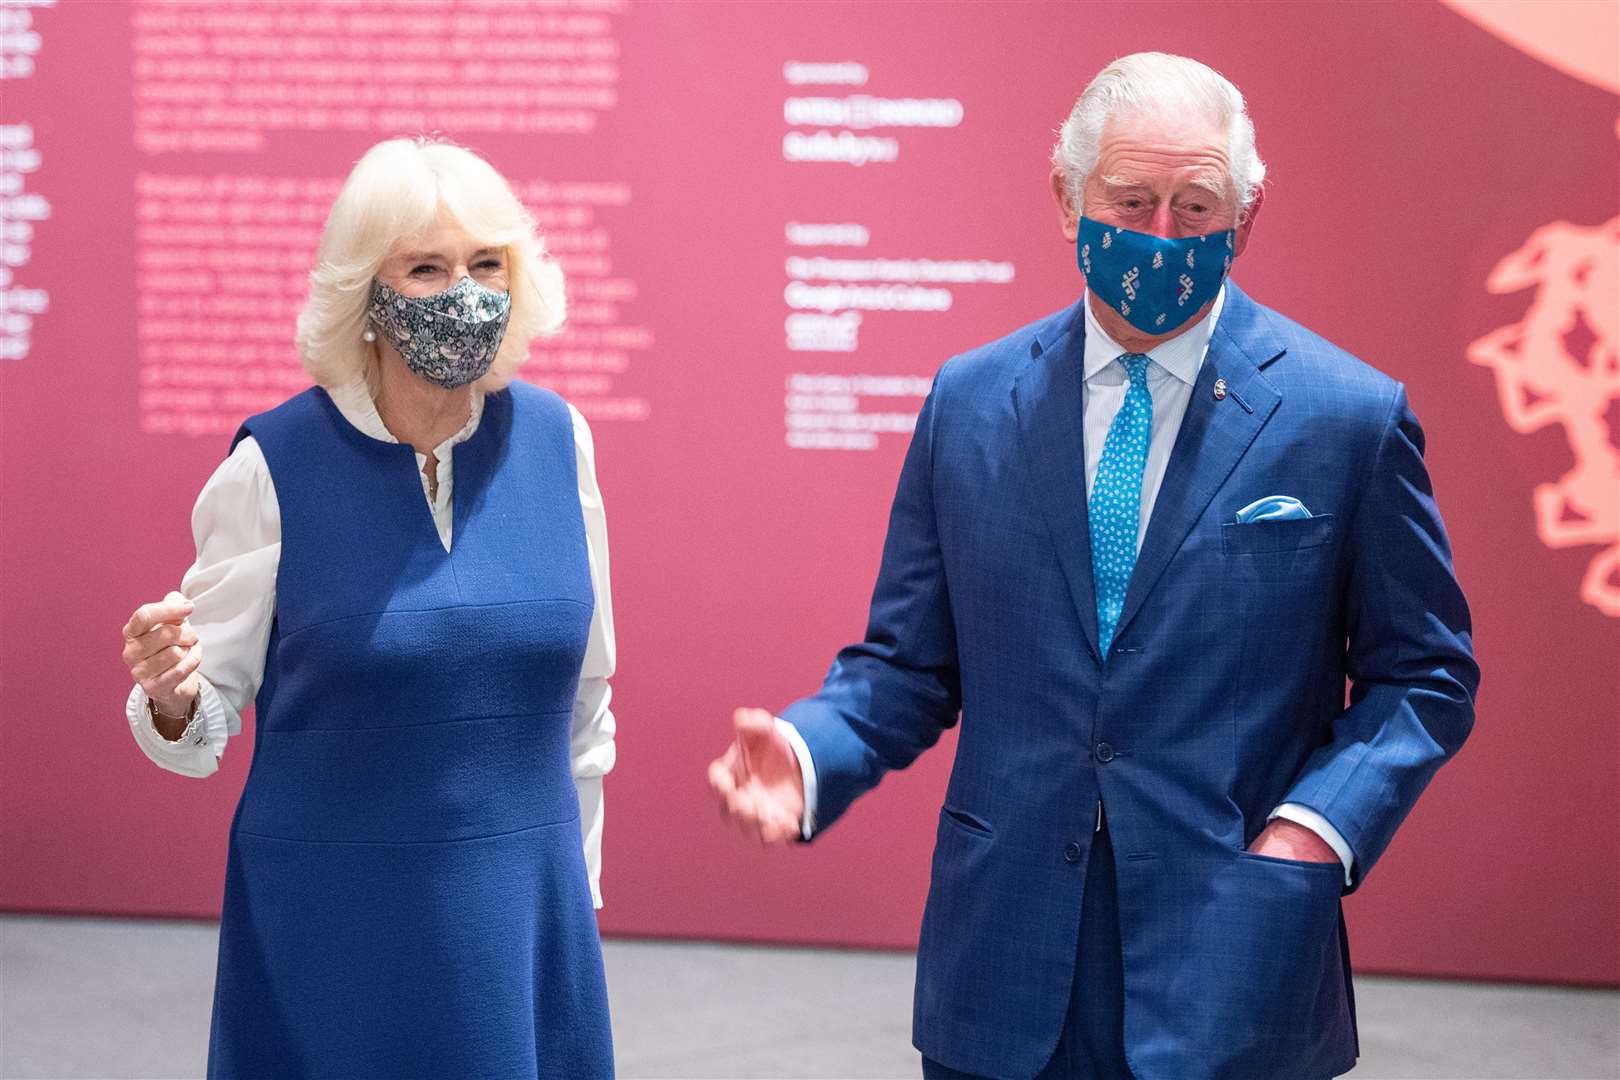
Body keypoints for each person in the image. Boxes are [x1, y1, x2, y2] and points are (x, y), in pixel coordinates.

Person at [709, 52, 1478, 1080]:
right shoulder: (971, 402)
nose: (1161, 235)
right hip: (1004, 963)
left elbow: (1425, 675)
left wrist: (1313, 833)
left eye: (1196, 205)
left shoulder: (1346, 417)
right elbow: (907, 664)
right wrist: (808, 754)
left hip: (1235, 953)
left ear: (1246, 217)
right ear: (1067, 199)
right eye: (1131, 199)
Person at [119, 138, 616, 1078]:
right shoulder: (274, 465)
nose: (463, 290)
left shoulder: (560, 443)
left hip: (523, 928)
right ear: (368, 296)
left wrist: (572, 896)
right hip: (332, 936)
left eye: (486, 265)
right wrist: (173, 693)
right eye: (426, 267)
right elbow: (200, 722)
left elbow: (585, 704)